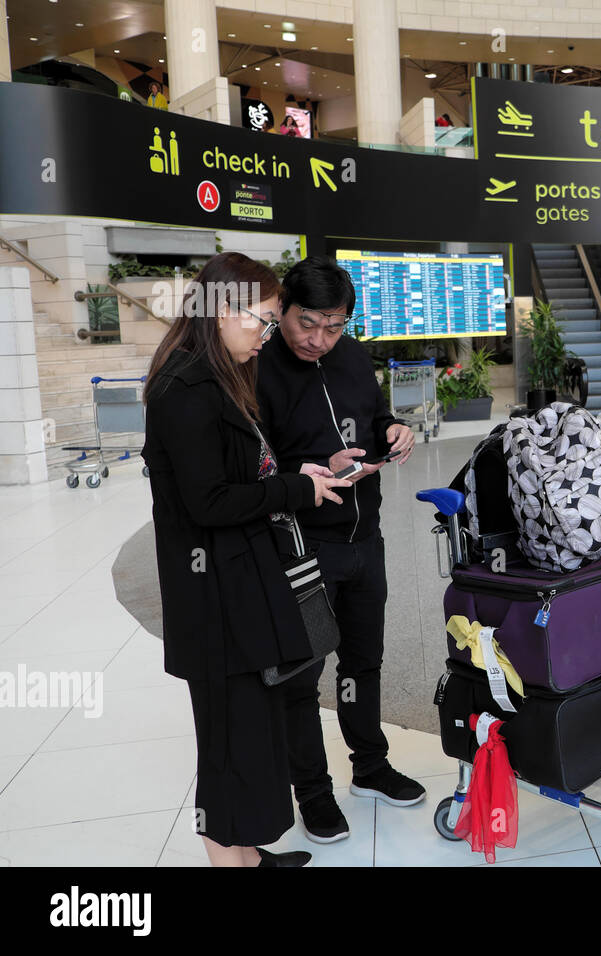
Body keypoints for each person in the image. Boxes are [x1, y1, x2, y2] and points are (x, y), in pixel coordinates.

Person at [141, 253, 351, 867]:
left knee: (247, 740)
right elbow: (207, 502)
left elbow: (234, 474)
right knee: (228, 748)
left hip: (238, 588)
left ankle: (249, 856)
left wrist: (293, 473)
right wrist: (293, 490)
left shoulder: (215, 376)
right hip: (213, 602)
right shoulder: (186, 388)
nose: (266, 337)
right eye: (261, 322)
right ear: (224, 311)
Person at [256, 257, 419, 844]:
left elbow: (373, 420)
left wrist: (395, 430)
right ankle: (314, 793)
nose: (319, 339)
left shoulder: (351, 358)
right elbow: (255, 461)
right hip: (303, 545)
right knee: (304, 675)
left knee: (364, 662)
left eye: (334, 326)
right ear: (283, 309)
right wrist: (315, 471)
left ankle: (370, 768)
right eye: (308, 324)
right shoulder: (260, 367)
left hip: (362, 538)